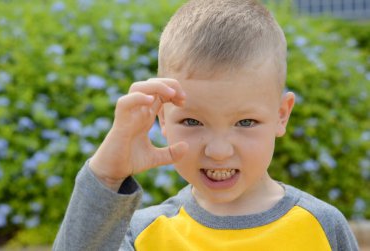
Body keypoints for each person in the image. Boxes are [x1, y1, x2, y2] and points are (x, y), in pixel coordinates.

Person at [53, 0, 359, 250]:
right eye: (192, 121)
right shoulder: (144, 235)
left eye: (246, 122)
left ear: (282, 114)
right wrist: (107, 174)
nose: (219, 151)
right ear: (162, 118)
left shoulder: (322, 227)